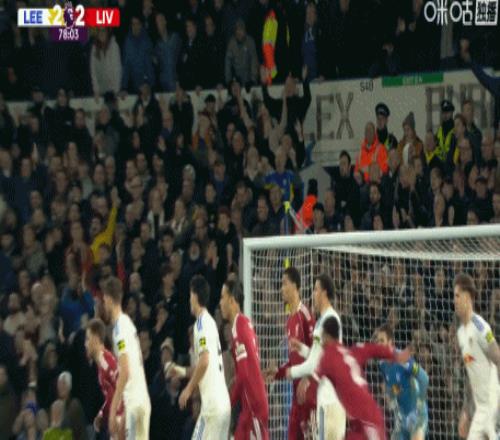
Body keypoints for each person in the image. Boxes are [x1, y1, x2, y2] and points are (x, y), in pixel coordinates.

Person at [306, 317, 411, 440]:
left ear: (326, 336)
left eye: (322, 336)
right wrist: (396, 354)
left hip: (369, 421)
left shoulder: (328, 355)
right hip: (360, 423)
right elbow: (373, 349)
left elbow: (311, 384)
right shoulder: (353, 352)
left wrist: (308, 406)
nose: (321, 341)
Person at [290, 274, 346, 440]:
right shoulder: (324, 320)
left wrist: (304, 376)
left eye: (315, 289)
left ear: (324, 292)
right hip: (326, 401)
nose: (313, 294)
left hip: (331, 402)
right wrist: (303, 349)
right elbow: (320, 355)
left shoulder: (330, 320)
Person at [174, 275, 231, 438]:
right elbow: (206, 364)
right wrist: (182, 371)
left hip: (212, 408)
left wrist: (188, 389)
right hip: (221, 405)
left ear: (194, 296)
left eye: (190, 295)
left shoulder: (200, 324)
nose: (189, 300)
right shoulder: (210, 322)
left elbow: (204, 361)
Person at [265, 266, 315, 440]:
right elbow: (293, 362)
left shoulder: (305, 315)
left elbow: (317, 355)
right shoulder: (289, 321)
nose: (281, 288)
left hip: (309, 394)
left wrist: (307, 379)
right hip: (296, 395)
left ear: (295, 286)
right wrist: (277, 372)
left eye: (284, 283)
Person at [102, 277, 151, 440]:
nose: (104, 304)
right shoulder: (127, 323)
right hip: (139, 399)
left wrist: (113, 409)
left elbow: (125, 371)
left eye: (104, 300)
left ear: (109, 299)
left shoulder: (119, 330)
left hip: (135, 403)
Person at [219, 279, 269, 439]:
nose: (220, 303)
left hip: (254, 406)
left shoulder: (239, 328)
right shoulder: (245, 323)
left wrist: (229, 402)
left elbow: (244, 374)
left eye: (222, 297)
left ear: (232, 300)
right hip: (250, 405)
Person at [453, 273, 500, 440]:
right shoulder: (461, 333)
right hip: (480, 408)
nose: (454, 301)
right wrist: (466, 409)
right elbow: (471, 374)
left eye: (457, 296)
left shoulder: (481, 327)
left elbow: (498, 358)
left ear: (468, 297)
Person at [375, 324, 429, 440]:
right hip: (401, 418)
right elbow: (397, 386)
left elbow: (424, 378)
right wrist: (391, 397)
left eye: (382, 341)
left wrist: (420, 404)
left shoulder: (403, 359)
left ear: (390, 342)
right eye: (377, 341)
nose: (378, 344)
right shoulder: (382, 364)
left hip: (417, 415)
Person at [84, 318, 124, 440]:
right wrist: (102, 413)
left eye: (88, 339)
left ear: (96, 339)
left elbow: (121, 389)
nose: (85, 344)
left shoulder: (106, 362)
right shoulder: (101, 364)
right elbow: (111, 394)